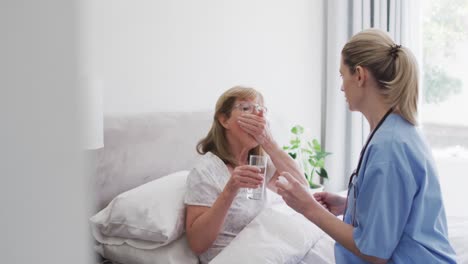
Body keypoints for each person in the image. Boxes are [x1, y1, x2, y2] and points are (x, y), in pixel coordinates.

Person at [276, 28, 457, 263]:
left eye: (342, 76)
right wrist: (349, 203)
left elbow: (373, 252)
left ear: (359, 75)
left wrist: (308, 207)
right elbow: (397, 209)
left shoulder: (389, 147)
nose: (341, 87)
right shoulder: (396, 130)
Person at [184, 86, 307, 263]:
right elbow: (198, 244)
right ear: (224, 120)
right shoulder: (206, 170)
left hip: (264, 252)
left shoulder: (258, 162)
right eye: (246, 108)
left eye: (260, 110)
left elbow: (302, 190)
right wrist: (230, 190)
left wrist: (269, 142)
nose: (257, 116)